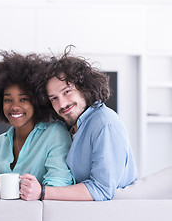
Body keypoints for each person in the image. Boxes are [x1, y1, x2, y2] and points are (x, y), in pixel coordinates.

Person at [0, 51, 74, 199]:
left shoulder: (55, 134)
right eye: (8, 100)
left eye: (23, 99)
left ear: (37, 101)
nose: (14, 107)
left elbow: (58, 185)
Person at [22, 46, 138, 201]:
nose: (62, 104)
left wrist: (42, 192)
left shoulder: (105, 124)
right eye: (53, 98)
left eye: (67, 91)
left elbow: (101, 190)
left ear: (84, 88)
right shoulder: (69, 127)